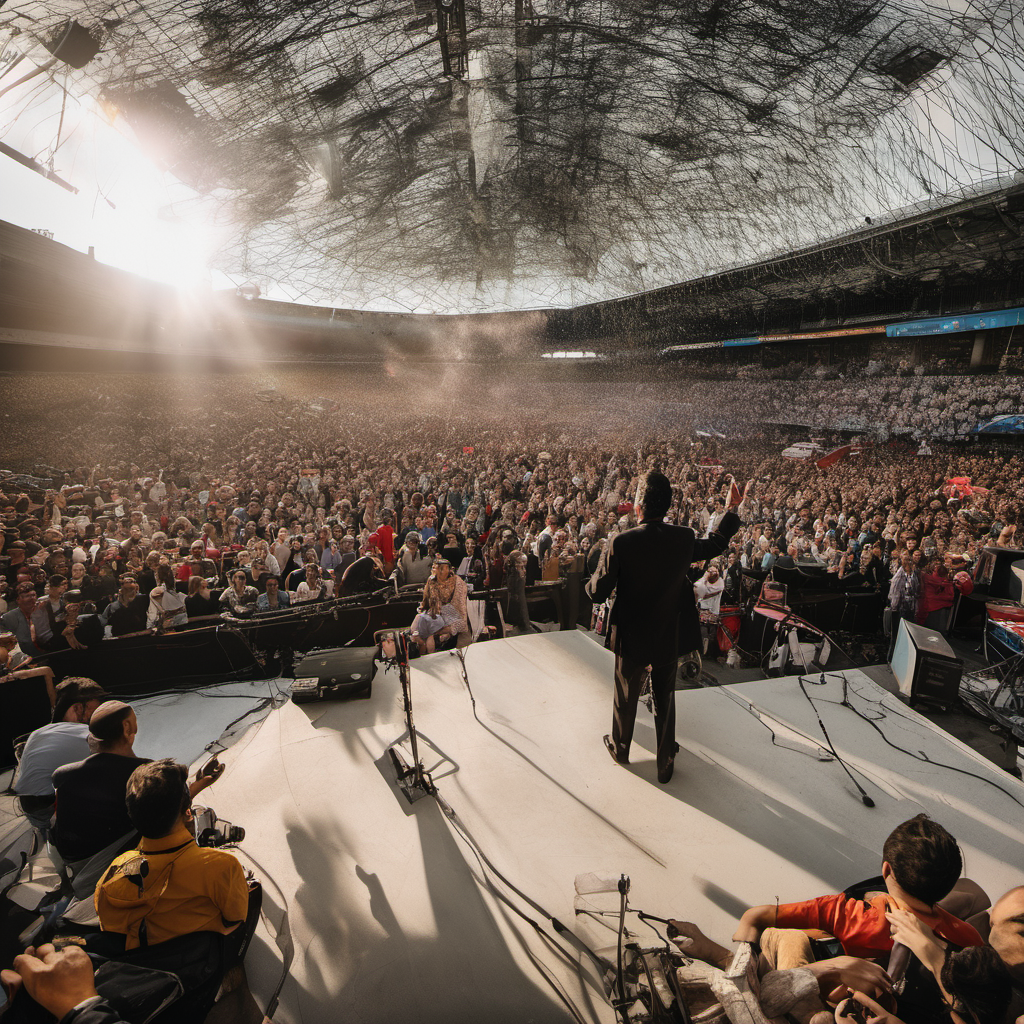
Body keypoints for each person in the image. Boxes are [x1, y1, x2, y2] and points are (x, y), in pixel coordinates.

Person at [586, 471, 741, 783]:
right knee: (665, 695)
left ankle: (621, 748)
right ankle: (665, 758)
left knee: (625, 694)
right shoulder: (683, 537)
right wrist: (731, 510)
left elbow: (598, 592)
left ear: (639, 505)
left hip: (631, 634)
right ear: (668, 504)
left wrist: (596, 569)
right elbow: (715, 543)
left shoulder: (621, 541)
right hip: (668, 631)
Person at [732, 814, 983, 962]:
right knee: (973, 894)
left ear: (886, 870)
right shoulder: (968, 937)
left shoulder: (846, 914)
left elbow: (755, 915)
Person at [95, 758, 245, 951]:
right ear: (188, 813)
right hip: (202, 959)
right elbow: (236, 917)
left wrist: (194, 787)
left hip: (141, 962)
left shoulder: (112, 873)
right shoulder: (222, 866)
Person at [51, 701, 151, 863]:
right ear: (127, 727)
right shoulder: (146, 773)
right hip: (119, 863)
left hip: (71, 862)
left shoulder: (63, 775)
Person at [13, 678, 110, 827]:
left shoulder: (38, 733)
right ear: (78, 708)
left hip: (31, 811)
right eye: (95, 710)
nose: (99, 715)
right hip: (50, 814)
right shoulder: (85, 734)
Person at [409, 559, 468, 654]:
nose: (433, 570)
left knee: (428, 629)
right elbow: (426, 600)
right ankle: (420, 649)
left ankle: (428, 653)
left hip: (450, 613)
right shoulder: (431, 580)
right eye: (434, 568)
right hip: (434, 612)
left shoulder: (457, 582)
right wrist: (423, 610)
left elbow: (460, 606)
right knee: (417, 623)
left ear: (447, 569)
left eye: (435, 568)